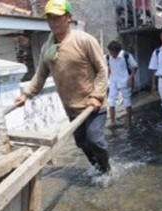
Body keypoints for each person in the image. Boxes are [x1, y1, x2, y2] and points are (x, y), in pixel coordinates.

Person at [14, 0, 110, 173]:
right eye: (49, 18)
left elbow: (103, 70)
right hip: (72, 107)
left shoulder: (84, 40)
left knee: (95, 140)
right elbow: (40, 74)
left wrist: (97, 95)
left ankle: (107, 171)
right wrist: (27, 94)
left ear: (69, 17)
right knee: (81, 143)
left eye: (57, 18)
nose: (53, 22)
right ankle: (97, 168)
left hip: (93, 105)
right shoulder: (47, 48)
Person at [106, 40, 138, 128]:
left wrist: (131, 78)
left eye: (114, 52)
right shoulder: (108, 57)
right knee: (111, 101)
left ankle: (130, 121)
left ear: (118, 51)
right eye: (111, 52)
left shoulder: (126, 55)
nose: (112, 54)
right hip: (113, 82)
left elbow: (135, 67)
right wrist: (107, 80)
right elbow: (109, 68)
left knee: (127, 102)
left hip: (124, 81)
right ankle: (112, 121)